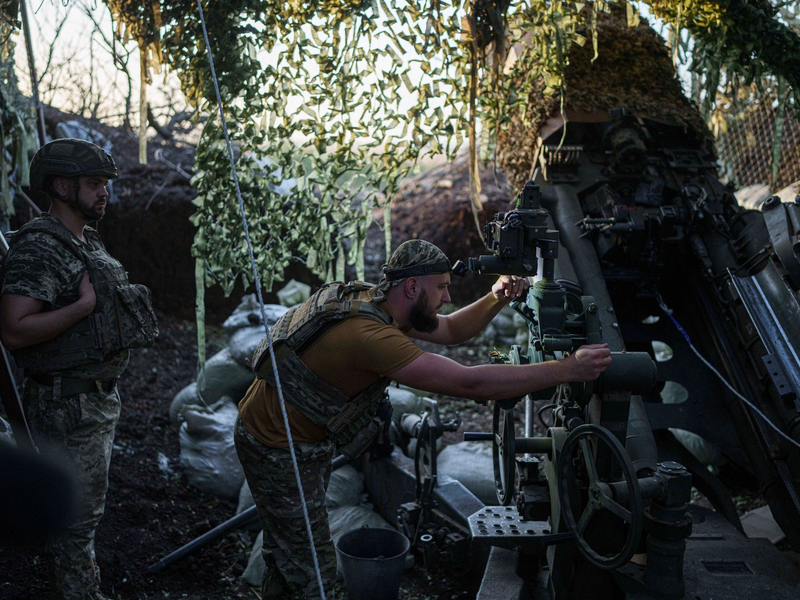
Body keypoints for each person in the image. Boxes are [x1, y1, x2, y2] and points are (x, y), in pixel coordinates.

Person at [234, 239, 611, 600]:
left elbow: (451, 330)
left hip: (294, 436)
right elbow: (470, 382)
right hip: (277, 447)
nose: (447, 297)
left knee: (288, 552)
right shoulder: (370, 336)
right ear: (412, 286)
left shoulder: (377, 301)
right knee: (311, 571)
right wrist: (566, 370)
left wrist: (496, 296)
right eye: (442, 287)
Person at [0, 138, 158, 600]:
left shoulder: (82, 239)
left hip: (91, 400)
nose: (104, 192)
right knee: (75, 524)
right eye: (93, 184)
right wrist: (82, 307)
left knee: (80, 519)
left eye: (105, 183)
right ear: (61, 187)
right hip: (67, 404)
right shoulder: (41, 248)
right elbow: (14, 329)